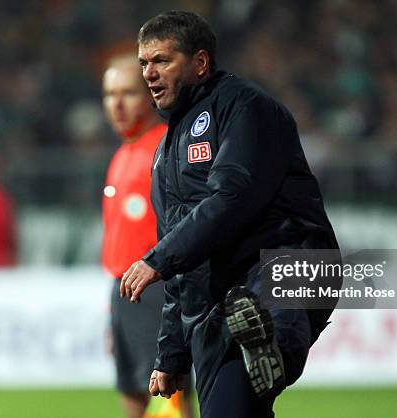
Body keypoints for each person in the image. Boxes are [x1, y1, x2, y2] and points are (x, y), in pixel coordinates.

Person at [120, 10, 339, 418]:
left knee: (269, 309)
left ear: (200, 63)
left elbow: (234, 195)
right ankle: (263, 349)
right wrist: (170, 355)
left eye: (162, 60)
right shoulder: (164, 155)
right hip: (216, 302)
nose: (149, 73)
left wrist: (157, 259)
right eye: (143, 64)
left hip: (283, 262)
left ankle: (270, 344)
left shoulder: (246, 108)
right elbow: (181, 265)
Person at [101, 53, 192, 418]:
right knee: (131, 391)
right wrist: (113, 313)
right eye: (110, 95)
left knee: (173, 390)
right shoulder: (123, 153)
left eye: (128, 93)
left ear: (150, 95)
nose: (117, 104)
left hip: (156, 285)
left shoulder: (166, 148)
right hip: (125, 289)